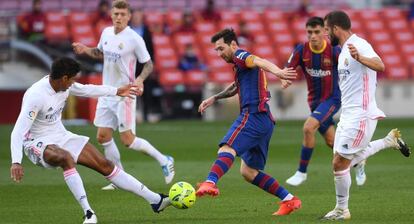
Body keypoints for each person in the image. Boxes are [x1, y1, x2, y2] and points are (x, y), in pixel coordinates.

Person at [10, 57, 171, 224]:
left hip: (60, 135)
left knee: (106, 165)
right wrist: (16, 162)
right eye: (72, 79)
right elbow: (18, 131)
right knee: (66, 158)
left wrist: (116, 91)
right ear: (64, 78)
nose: (73, 83)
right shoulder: (36, 96)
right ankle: (88, 213)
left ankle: (155, 200)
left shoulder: (63, 86)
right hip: (36, 143)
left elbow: (87, 90)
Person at [195, 28, 301, 216]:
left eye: (221, 48)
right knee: (248, 172)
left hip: (253, 115)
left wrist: (279, 72)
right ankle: (289, 200)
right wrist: (214, 98)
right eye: (216, 51)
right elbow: (237, 86)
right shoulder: (239, 65)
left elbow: (259, 60)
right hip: (265, 120)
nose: (219, 54)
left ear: (233, 44)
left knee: (227, 148)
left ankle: (210, 182)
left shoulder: (240, 55)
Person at [72, 0, 174, 191]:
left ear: (129, 17)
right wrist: (85, 49)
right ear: (111, 14)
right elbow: (99, 52)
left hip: (125, 93)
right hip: (107, 92)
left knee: (128, 140)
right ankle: (119, 178)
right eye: (116, 14)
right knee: (102, 137)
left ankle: (164, 159)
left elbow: (148, 64)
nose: (118, 17)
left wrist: (140, 80)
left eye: (122, 14)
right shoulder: (106, 32)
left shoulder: (134, 39)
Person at [321, 11, 411, 220]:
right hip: (348, 114)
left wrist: (360, 57)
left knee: (339, 163)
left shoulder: (359, 44)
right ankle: (389, 141)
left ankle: (342, 210)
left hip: (361, 115)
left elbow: (380, 65)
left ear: (335, 28)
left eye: (327, 29)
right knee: (344, 161)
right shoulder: (343, 50)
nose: (326, 34)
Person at [284, 17, 366, 186]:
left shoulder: (334, 51)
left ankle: (301, 172)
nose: (313, 36)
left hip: (332, 99)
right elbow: (288, 68)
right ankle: (359, 161)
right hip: (314, 102)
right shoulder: (301, 50)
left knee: (308, 128)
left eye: (316, 32)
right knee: (333, 142)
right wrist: (284, 78)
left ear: (324, 32)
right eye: (309, 32)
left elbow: (351, 68)